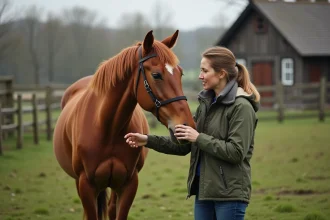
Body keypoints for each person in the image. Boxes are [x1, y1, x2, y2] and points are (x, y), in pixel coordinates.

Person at [124, 46, 260, 220]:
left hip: (229, 196)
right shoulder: (206, 104)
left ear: (221, 74)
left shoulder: (241, 107)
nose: (199, 75)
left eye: (204, 70)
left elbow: (236, 152)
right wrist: (147, 140)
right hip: (203, 192)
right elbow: (184, 146)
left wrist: (198, 137)